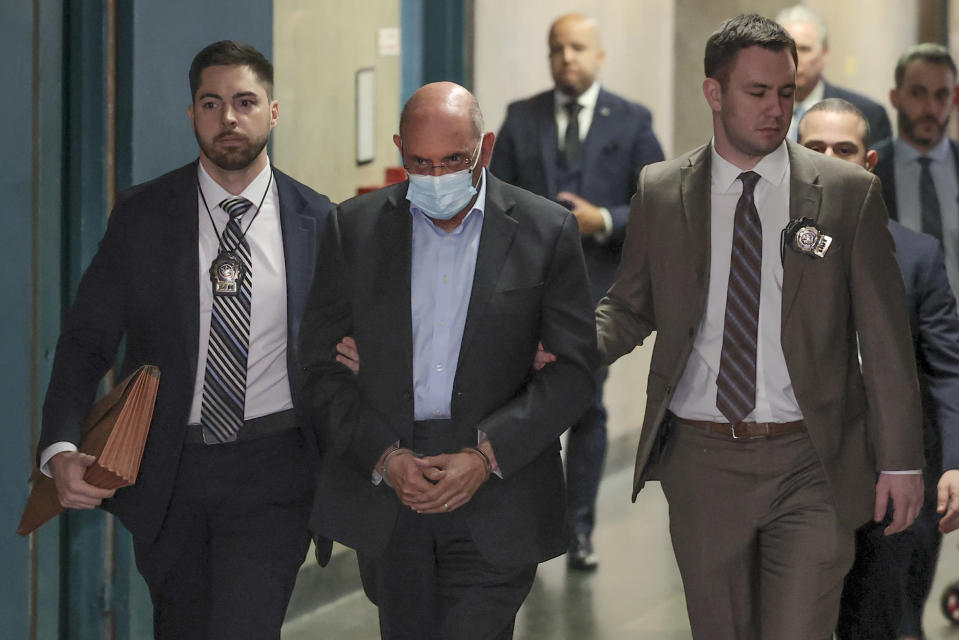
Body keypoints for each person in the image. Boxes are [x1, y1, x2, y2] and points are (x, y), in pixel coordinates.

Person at [594, 15, 924, 639]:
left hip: (811, 458)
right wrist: (556, 349)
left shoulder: (846, 193)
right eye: (756, 92)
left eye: (786, 92)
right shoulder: (663, 191)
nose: (776, 110)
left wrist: (902, 461)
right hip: (702, 458)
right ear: (713, 93)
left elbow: (884, 338)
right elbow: (630, 306)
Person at [37, 41, 334, 639]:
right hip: (170, 471)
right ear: (192, 114)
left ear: (272, 112)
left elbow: (349, 338)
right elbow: (86, 341)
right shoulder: (145, 216)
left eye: (245, 101)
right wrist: (59, 447)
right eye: (212, 103)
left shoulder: (319, 220)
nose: (229, 118)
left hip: (274, 469)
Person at [299, 82, 597, 639]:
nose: (437, 178)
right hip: (393, 496)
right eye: (420, 162)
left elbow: (575, 371)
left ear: (484, 149)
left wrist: (486, 457)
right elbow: (319, 369)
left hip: (497, 495)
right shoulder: (355, 229)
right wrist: (385, 458)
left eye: (454, 161)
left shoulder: (544, 230)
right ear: (399, 151)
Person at [489, 12, 663, 570]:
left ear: (599, 55)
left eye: (579, 48)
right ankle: (529, 525)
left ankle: (579, 529)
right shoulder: (522, 118)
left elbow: (660, 204)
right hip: (525, 294)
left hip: (597, 295)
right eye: (558, 48)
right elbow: (495, 200)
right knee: (522, 410)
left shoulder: (632, 122)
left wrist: (605, 220)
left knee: (584, 408)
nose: (568, 58)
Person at [797, 98, 959, 640]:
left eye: (843, 150)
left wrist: (955, 463)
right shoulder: (770, 246)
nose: (827, 160)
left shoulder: (916, 255)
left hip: (895, 481)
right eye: (813, 148)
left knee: (883, 622)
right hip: (795, 475)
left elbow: (946, 370)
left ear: (868, 162)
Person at [873, 44, 959, 297]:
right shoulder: (871, 170)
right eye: (918, 93)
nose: (930, 109)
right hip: (895, 325)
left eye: (941, 95)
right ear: (895, 96)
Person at [775, 4, 892, 144]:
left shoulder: (868, 113)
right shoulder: (757, 109)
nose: (794, 59)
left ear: (825, 53)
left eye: (804, 49)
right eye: (787, 49)